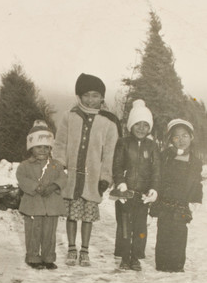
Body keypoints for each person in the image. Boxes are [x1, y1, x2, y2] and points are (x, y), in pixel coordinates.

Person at [52, 73, 120, 267]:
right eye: (87, 95)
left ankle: (85, 250)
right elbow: (60, 144)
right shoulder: (69, 117)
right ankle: (72, 248)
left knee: (87, 215)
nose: (91, 100)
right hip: (72, 176)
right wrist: (59, 167)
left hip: (92, 178)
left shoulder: (108, 122)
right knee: (72, 214)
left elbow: (110, 153)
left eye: (96, 95)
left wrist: (105, 177)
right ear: (79, 96)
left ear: (102, 98)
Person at [112, 99, 160, 271]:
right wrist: (121, 184)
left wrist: (153, 189)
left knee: (140, 227)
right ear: (130, 125)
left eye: (145, 125)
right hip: (125, 193)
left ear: (150, 128)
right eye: (137, 124)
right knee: (124, 225)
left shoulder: (152, 146)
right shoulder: (123, 143)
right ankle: (125, 256)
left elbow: (156, 170)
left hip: (142, 194)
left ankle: (135, 257)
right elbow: (117, 166)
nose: (141, 128)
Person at [151, 119, 203, 272]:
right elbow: (157, 176)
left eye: (185, 136)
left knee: (180, 232)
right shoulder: (165, 156)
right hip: (165, 201)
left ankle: (177, 265)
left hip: (182, 203)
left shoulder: (195, 161)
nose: (181, 140)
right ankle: (162, 264)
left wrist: (196, 199)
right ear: (171, 139)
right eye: (176, 137)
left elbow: (196, 182)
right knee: (164, 231)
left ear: (191, 137)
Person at [16, 120, 67, 270]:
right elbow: (22, 179)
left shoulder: (56, 165)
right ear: (31, 148)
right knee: (33, 232)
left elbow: (63, 178)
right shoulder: (24, 166)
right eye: (39, 147)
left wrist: (54, 186)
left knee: (49, 234)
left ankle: (48, 257)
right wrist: (35, 187)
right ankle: (32, 257)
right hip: (33, 206)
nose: (43, 150)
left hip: (51, 207)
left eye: (46, 147)